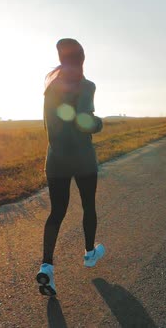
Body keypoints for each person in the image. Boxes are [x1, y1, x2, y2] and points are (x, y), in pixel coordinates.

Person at [36, 38, 105, 297]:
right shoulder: (86, 85)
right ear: (82, 58)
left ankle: (47, 267)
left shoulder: (51, 88)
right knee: (88, 205)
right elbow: (84, 122)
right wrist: (99, 124)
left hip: (56, 159)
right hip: (83, 158)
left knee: (57, 212)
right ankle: (89, 254)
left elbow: (51, 126)